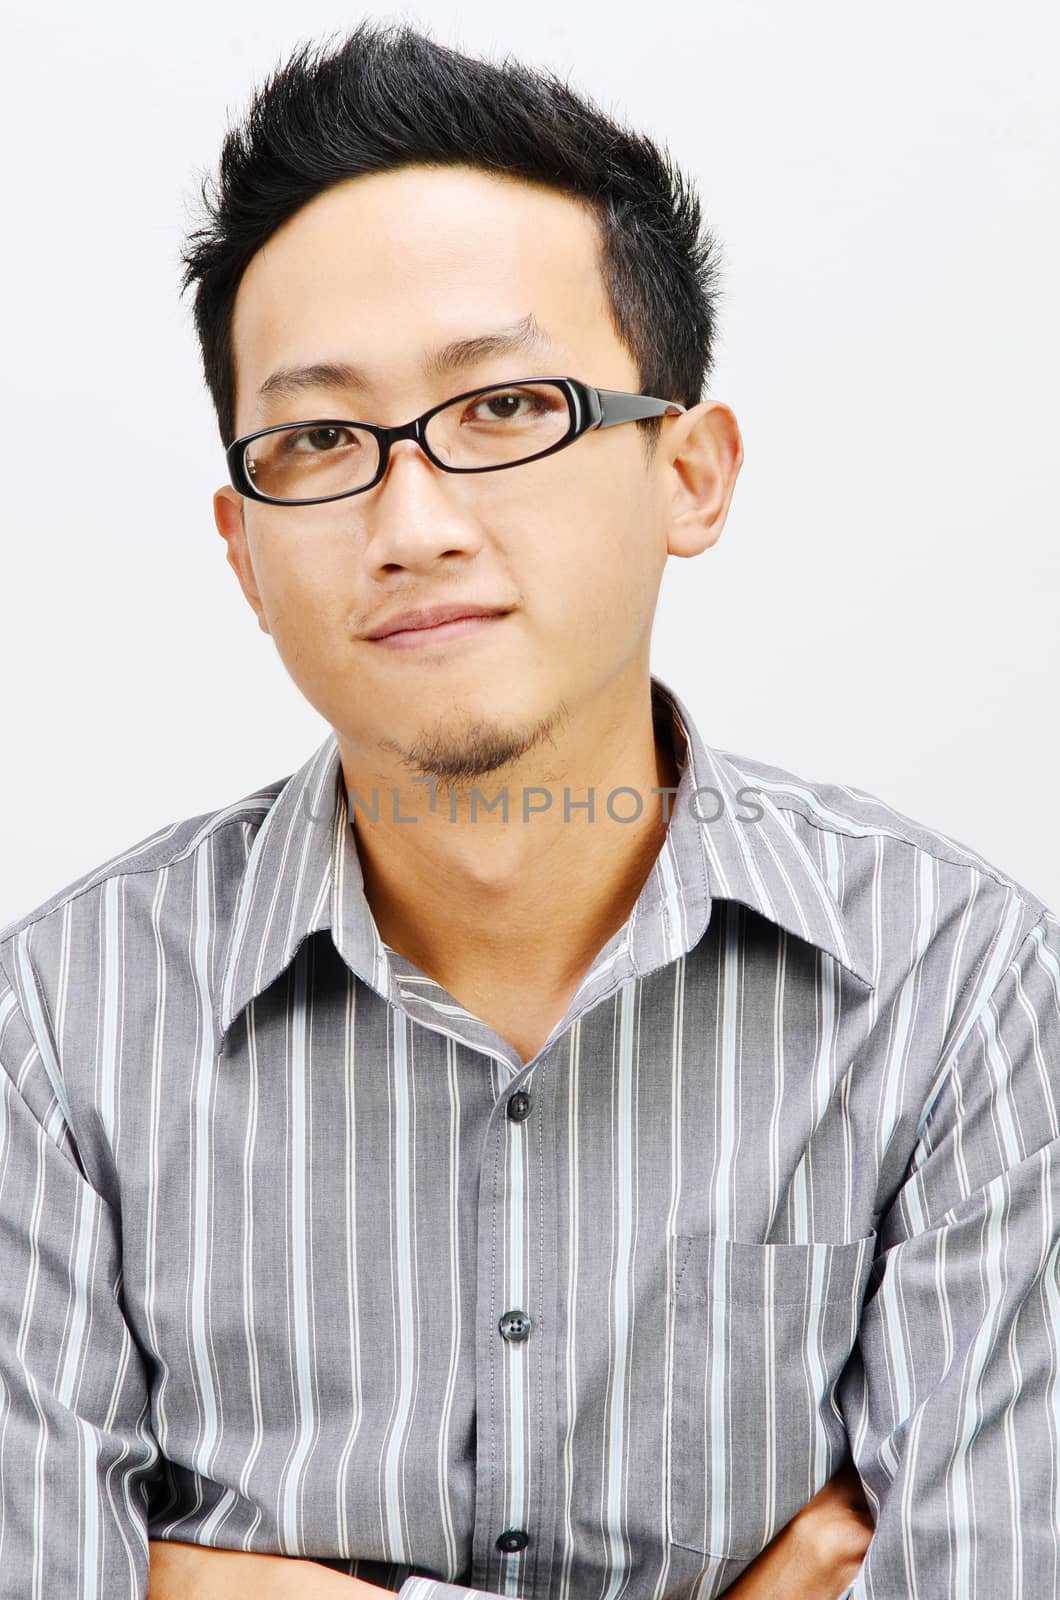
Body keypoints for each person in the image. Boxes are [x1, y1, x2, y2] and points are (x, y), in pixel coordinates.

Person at [0, 20, 1056, 1600]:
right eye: (317, 442)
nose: (410, 520)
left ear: (690, 473)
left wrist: (207, 1580)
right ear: (241, 548)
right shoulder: (59, 1027)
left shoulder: (958, 988)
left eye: (506, 411)